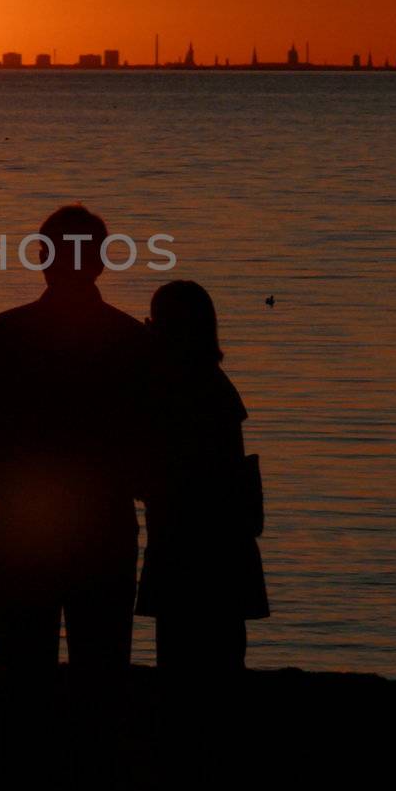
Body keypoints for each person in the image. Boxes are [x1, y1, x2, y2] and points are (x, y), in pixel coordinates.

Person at [0, 204, 154, 677]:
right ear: (102, 261)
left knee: (21, 671)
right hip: (103, 529)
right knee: (101, 669)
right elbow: (151, 431)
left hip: (26, 525)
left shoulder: (7, 332)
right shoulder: (129, 339)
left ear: (43, 257)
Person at [136, 279, 268, 674]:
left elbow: (171, 473)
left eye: (158, 322)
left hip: (193, 553)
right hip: (216, 554)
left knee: (185, 660)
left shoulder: (188, 391)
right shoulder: (210, 386)